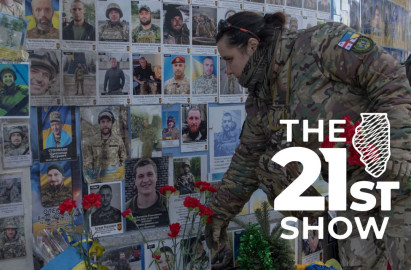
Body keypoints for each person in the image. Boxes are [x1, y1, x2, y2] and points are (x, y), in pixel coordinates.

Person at [205, 11, 410, 270]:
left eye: (229, 59)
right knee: (360, 264)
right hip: (349, 187)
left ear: (252, 46)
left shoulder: (319, 43)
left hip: (396, 172)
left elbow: (389, 78)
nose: (228, 71)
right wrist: (218, 216)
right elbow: (248, 159)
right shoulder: (262, 98)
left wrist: (398, 144)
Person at [125, 158, 169, 229]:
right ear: (135, 181)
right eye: (141, 176)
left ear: (156, 177)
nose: (145, 180)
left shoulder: (169, 205)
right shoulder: (125, 209)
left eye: (149, 174)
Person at [82, 109, 127, 178]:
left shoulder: (118, 140)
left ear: (112, 123)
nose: (105, 124)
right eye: (103, 122)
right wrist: (91, 179)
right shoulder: (92, 141)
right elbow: (88, 163)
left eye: (108, 121)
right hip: (98, 179)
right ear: (99, 124)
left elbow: (124, 160)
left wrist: (121, 177)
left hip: (115, 179)